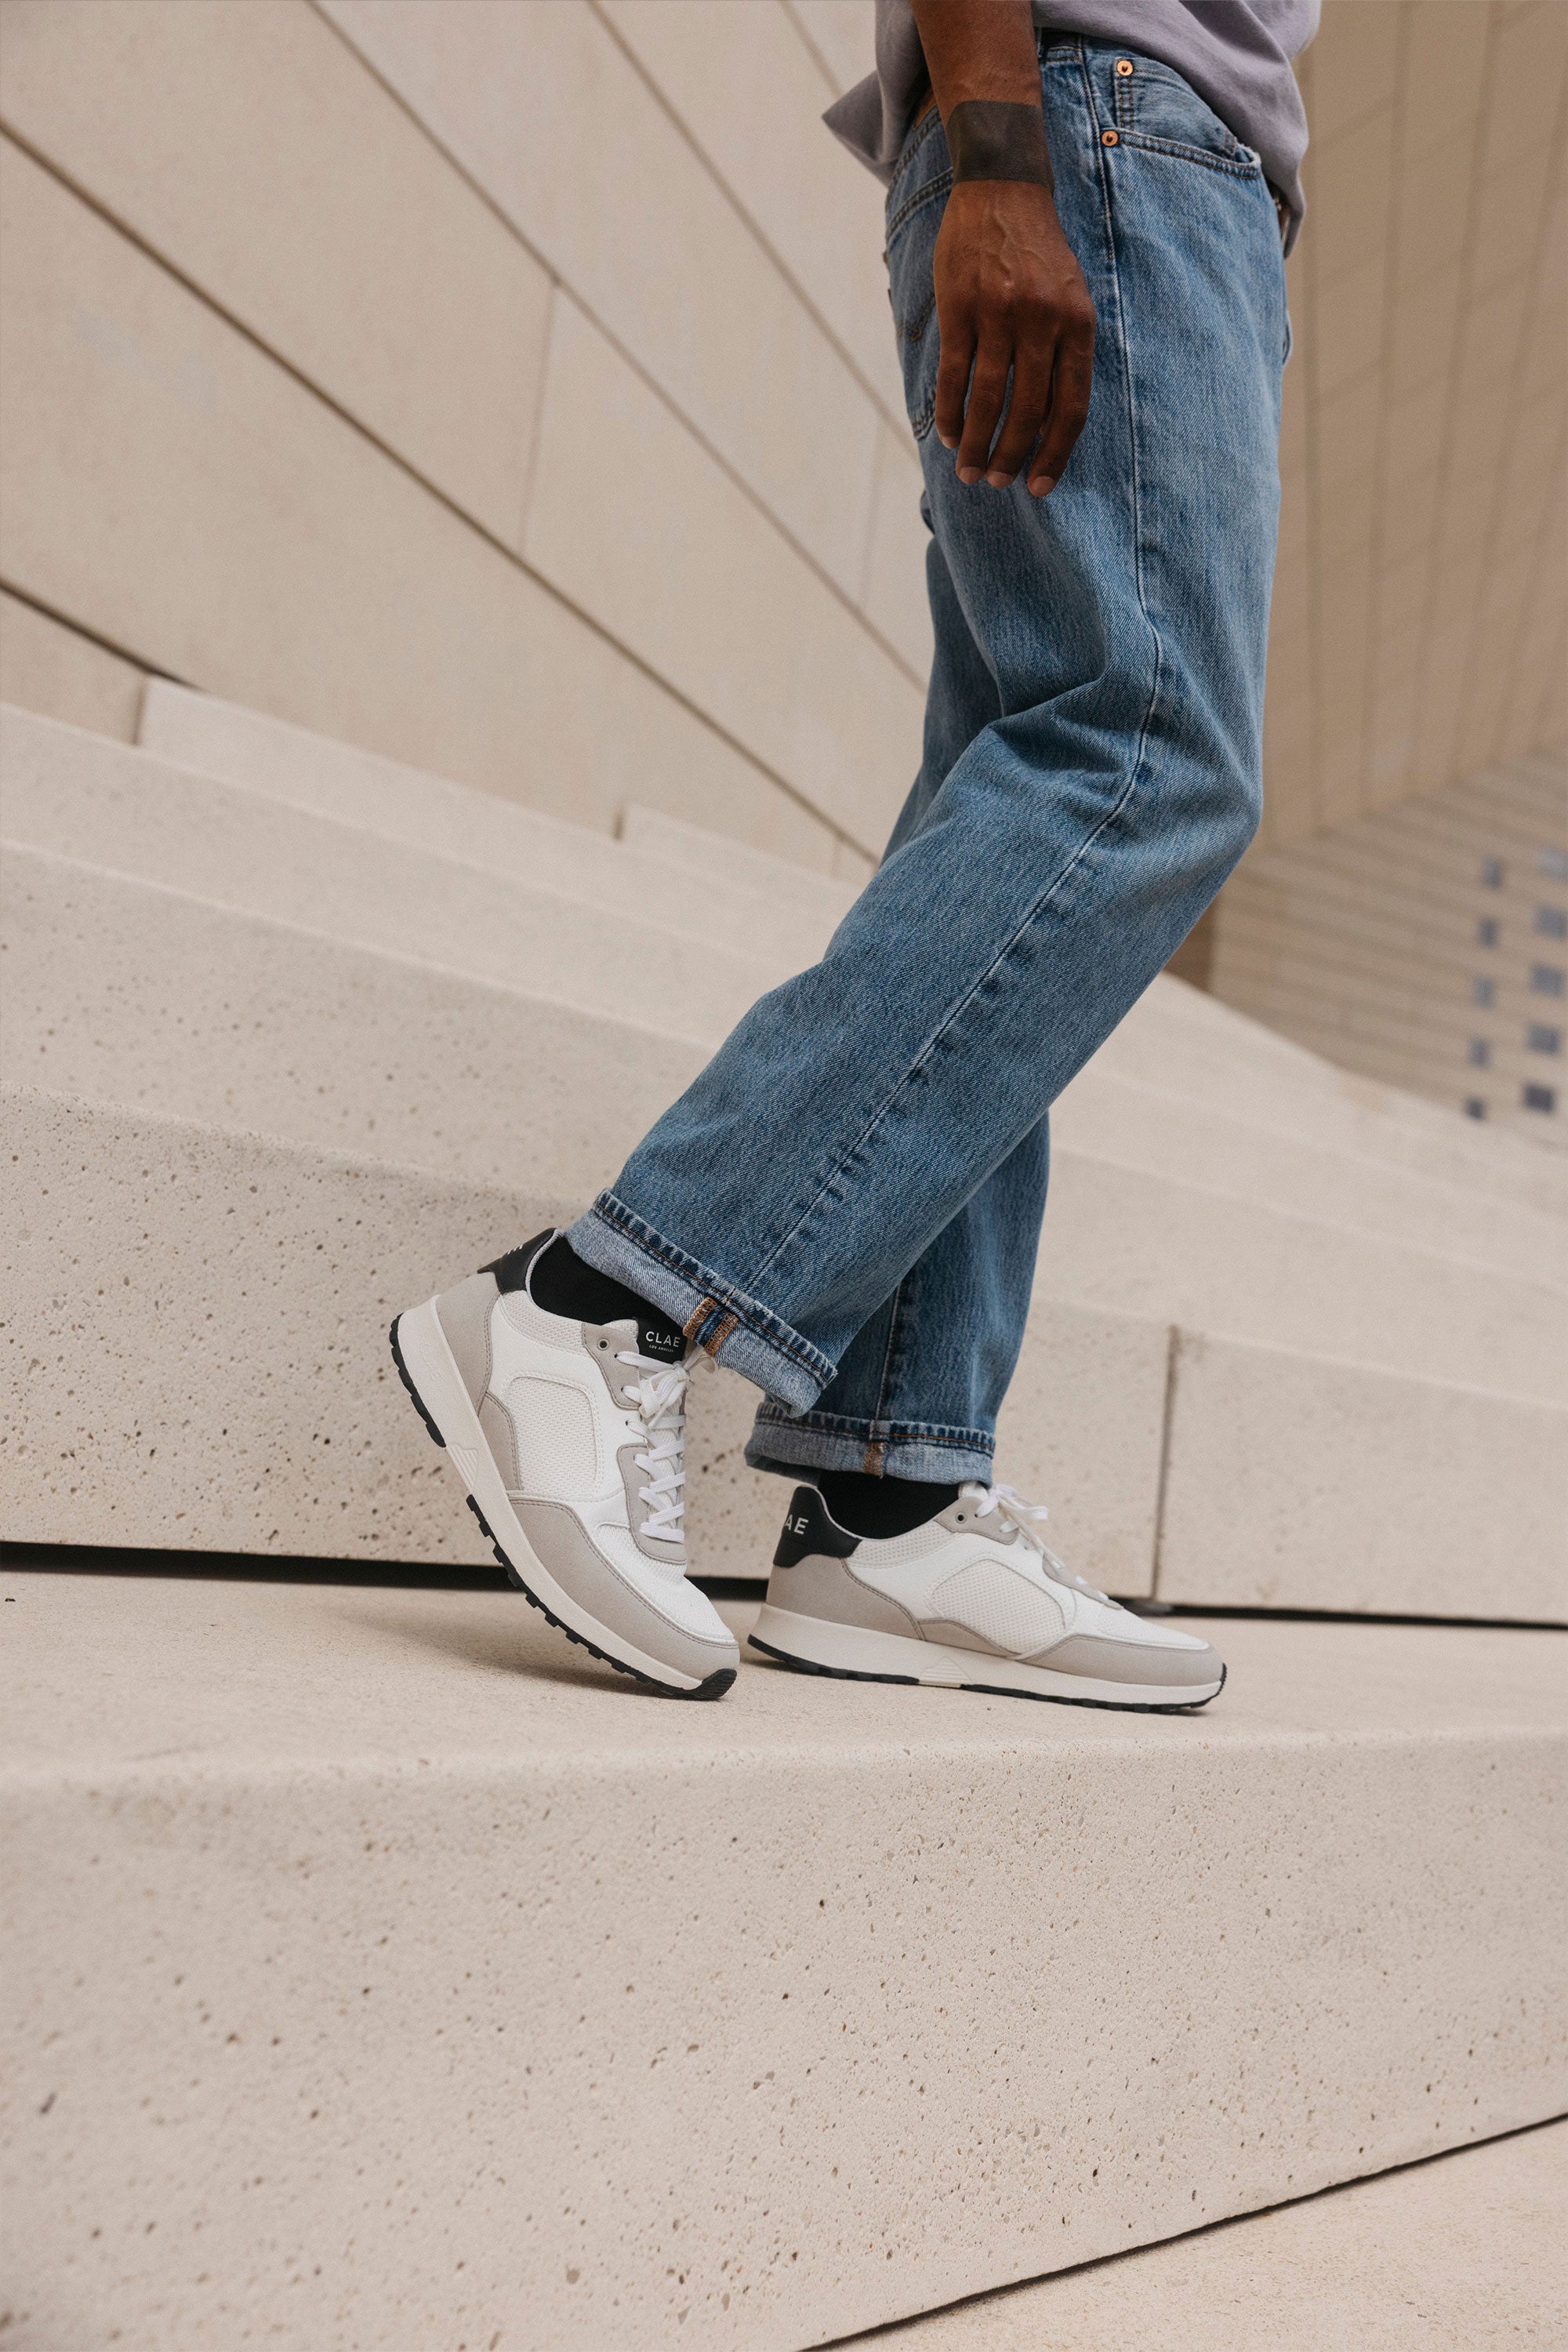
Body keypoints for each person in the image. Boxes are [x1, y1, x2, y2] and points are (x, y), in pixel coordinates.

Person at [390, 0, 1318, 1704]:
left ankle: (889, 1496)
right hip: (1103, 122)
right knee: (1142, 758)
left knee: (1019, 769)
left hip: (1155, 158)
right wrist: (1004, 156)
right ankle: (598, 1307)